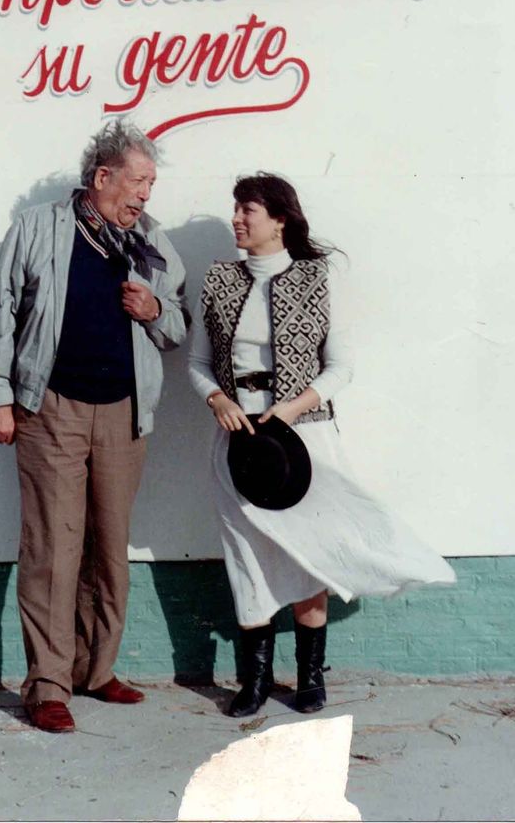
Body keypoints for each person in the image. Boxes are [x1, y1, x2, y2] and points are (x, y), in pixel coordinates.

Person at [189, 173, 455, 717]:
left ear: (280, 220)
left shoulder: (315, 279)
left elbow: (341, 367)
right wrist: (218, 399)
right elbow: (197, 364)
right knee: (247, 558)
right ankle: (255, 681)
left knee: (309, 551)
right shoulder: (217, 280)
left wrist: (288, 409)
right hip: (237, 442)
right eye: (236, 210)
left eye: (248, 211)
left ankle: (310, 678)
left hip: (301, 438)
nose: (237, 219)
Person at [0, 120, 189, 733]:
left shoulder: (151, 242)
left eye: (151, 183)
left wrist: (154, 310)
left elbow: (177, 326)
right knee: (52, 545)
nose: (147, 195)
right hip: (51, 409)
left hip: (125, 413)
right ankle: (47, 684)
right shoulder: (38, 228)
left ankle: (94, 672)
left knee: (108, 547)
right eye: (139, 181)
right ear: (102, 177)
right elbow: (1, 311)